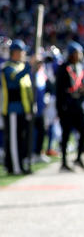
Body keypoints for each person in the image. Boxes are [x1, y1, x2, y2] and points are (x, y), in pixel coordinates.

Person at [55, 42, 84, 172]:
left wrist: (83, 92)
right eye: (76, 53)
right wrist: (61, 107)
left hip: (77, 105)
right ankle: (64, 161)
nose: (78, 56)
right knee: (66, 134)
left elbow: (80, 84)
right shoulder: (64, 68)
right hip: (66, 106)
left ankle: (79, 157)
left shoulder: (80, 67)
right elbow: (60, 90)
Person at [2, 40, 36, 175]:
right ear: (15, 53)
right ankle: (15, 167)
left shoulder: (21, 66)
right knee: (14, 141)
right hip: (12, 110)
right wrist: (29, 66)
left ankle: (21, 164)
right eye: (22, 52)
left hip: (23, 110)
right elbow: (15, 79)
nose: (24, 54)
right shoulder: (7, 67)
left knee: (22, 139)